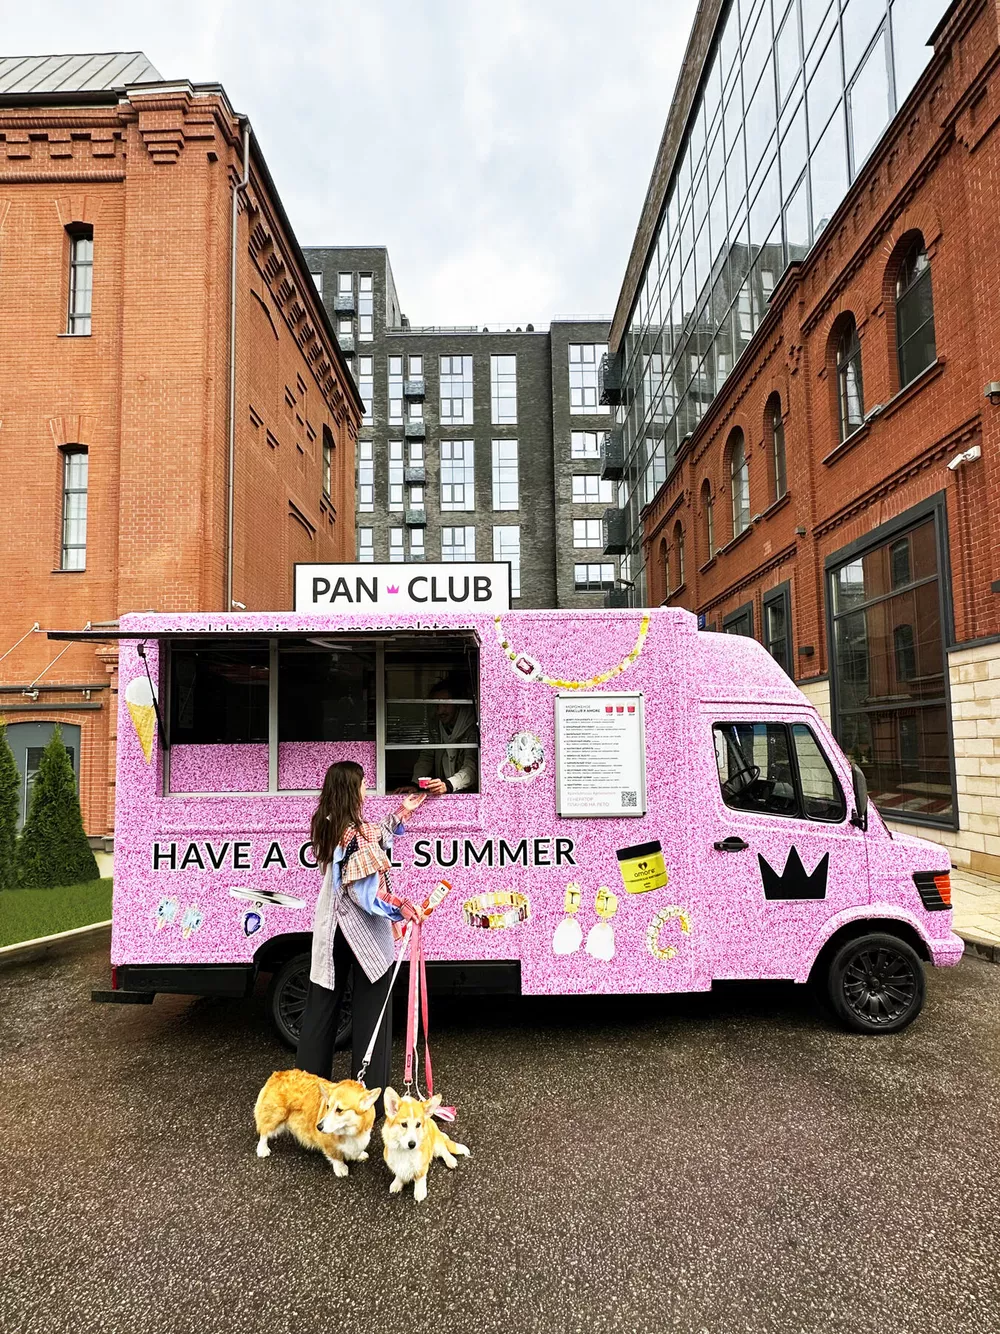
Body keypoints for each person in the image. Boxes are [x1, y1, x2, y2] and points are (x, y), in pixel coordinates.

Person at [296, 760, 430, 1107]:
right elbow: (365, 893)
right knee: (373, 1013)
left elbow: (375, 836)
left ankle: (308, 1096)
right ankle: (370, 1099)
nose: (366, 788)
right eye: (363, 783)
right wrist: (403, 908)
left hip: (331, 929)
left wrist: (403, 811)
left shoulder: (327, 824)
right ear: (352, 789)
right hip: (363, 932)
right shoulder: (355, 834)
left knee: (322, 1008)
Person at [411, 677, 479, 794]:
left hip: (468, 792)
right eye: (437, 705)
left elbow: (471, 766)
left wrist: (449, 785)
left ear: (458, 704)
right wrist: (415, 784)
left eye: (445, 704)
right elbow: (428, 755)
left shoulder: (472, 727)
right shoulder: (436, 725)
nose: (440, 711)